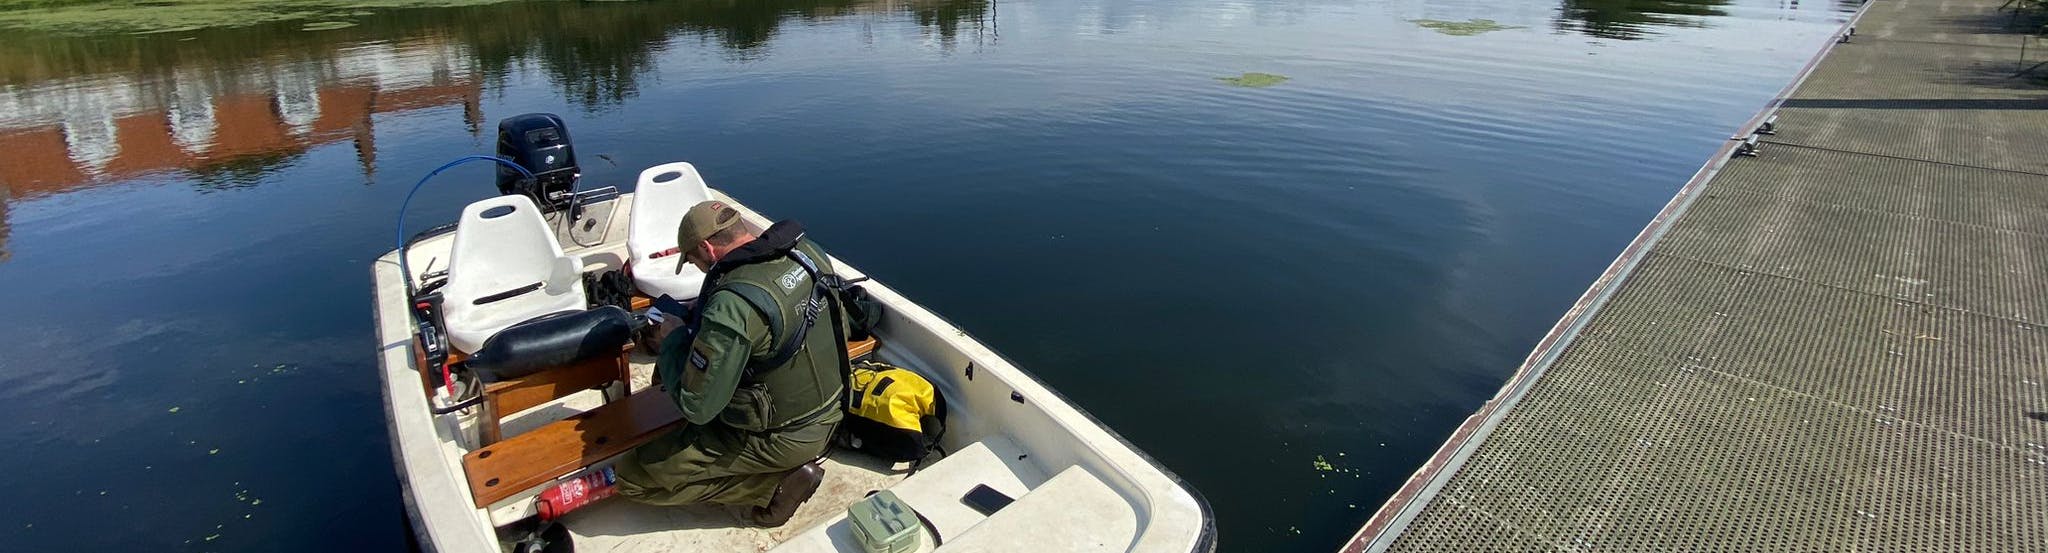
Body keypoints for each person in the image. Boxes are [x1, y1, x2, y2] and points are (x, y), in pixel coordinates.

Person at [614, 200, 849, 527]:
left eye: (694, 261)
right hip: (834, 411)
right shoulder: (807, 253)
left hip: (781, 438)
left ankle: (771, 487)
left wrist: (673, 339)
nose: (700, 269)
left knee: (631, 478)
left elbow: (698, 408)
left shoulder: (732, 307)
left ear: (706, 248)